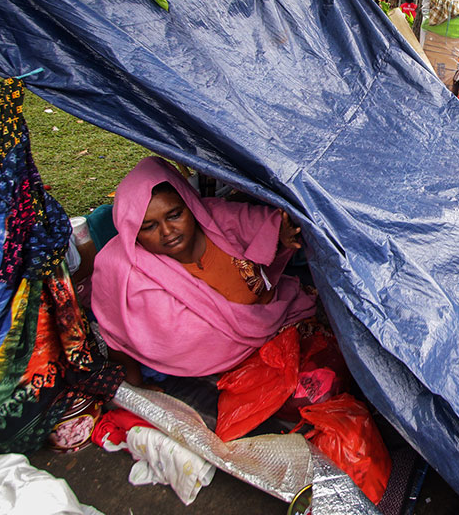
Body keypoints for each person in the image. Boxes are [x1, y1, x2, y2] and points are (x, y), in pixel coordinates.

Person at [90, 156, 318, 384]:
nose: (168, 231)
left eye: (175, 215)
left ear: (190, 205)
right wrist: (135, 388)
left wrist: (280, 233)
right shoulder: (123, 270)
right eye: (149, 226)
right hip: (210, 364)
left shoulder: (215, 217)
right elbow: (116, 334)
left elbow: (264, 222)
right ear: (132, 231)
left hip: (274, 317)